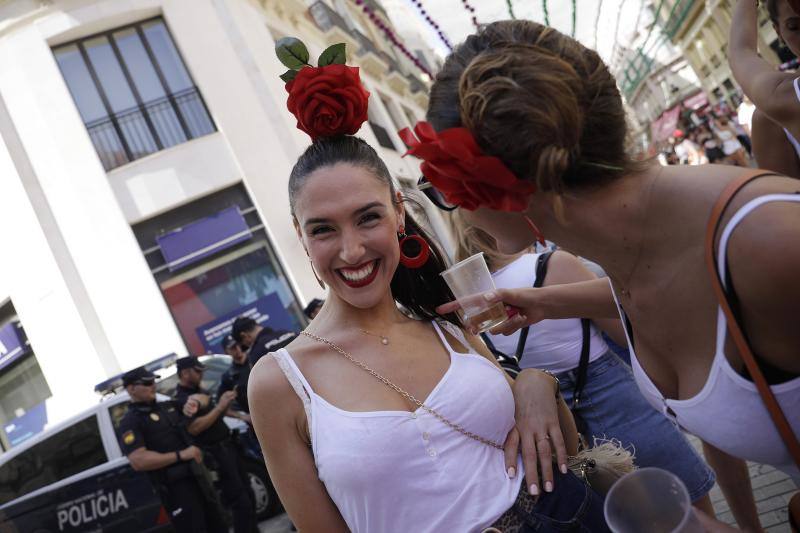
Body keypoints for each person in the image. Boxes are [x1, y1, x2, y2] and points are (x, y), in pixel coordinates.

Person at [415, 19, 799, 531]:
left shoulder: (766, 242)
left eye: (444, 187)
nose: (456, 210)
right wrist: (548, 303)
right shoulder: (636, 255)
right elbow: (681, 288)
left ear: (497, 183)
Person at [247, 45, 610, 531]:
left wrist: (537, 383)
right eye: (323, 229)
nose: (352, 251)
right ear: (300, 235)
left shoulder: (446, 324)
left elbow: (559, 448)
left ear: (399, 212)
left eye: (368, 218)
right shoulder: (279, 382)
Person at [451, 222, 717, 513]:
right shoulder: (553, 263)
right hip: (610, 395)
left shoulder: (474, 299)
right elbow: (626, 335)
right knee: (687, 501)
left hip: (549, 421)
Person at [117, 367, 225, 533]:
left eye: (153, 381)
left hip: (198, 479)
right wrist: (181, 455)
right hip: (175, 489)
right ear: (131, 389)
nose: (153, 385)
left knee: (219, 524)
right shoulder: (130, 422)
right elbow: (139, 460)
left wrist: (194, 402)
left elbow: (204, 398)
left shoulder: (167, 406)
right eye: (147, 383)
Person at [173, 356, 256, 533]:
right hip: (216, 454)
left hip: (229, 446)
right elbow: (194, 428)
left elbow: (215, 411)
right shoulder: (183, 399)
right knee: (240, 502)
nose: (201, 374)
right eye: (197, 371)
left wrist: (239, 415)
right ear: (185, 373)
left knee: (248, 495)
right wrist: (220, 407)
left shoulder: (198, 390)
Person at [731, 0, 800, 176]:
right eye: (795, 27)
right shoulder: (773, 117)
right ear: (778, 31)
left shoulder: (782, 99)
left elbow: (741, 51)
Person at [231, 316, 297, 366]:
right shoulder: (289, 333)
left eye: (245, 345)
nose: (248, 346)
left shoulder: (257, 354)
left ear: (244, 335)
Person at [217, 334, 253, 418]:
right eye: (232, 347)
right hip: (255, 417)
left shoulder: (254, 358)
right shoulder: (228, 376)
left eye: (237, 345)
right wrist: (242, 417)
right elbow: (220, 406)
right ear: (226, 351)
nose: (237, 349)